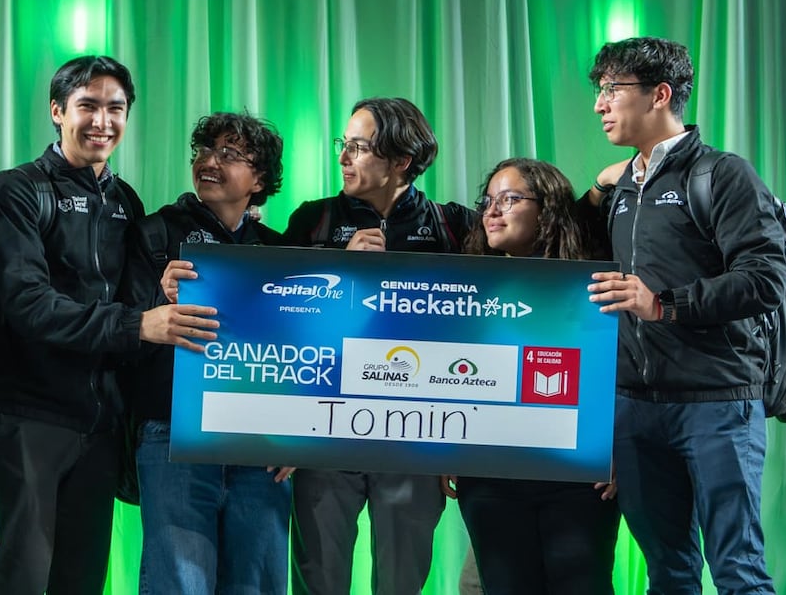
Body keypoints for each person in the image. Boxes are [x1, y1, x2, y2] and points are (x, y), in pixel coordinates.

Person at [0, 55, 219, 594]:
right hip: (27, 414)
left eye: (116, 108)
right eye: (87, 106)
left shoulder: (125, 201)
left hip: (103, 424)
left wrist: (163, 293)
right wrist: (139, 324)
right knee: (24, 576)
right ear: (58, 111)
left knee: (83, 580)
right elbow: (29, 304)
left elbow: (134, 303)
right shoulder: (17, 189)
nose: (102, 121)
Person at [586, 37, 784, 594]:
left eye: (611, 90)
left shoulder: (722, 175)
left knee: (738, 571)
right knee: (668, 574)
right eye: (599, 91)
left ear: (660, 96)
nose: (599, 105)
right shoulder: (623, 184)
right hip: (636, 410)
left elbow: (765, 278)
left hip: (718, 405)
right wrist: (602, 186)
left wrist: (665, 304)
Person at [281, 97, 478, 595]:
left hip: (414, 436)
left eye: (359, 147)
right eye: (342, 145)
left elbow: (477, 332)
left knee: (400, 581)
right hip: (324, 430)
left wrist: (458, 443)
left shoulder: (454, 224)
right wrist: (336, 269)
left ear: (401, 162)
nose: (344, 157)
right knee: (318, 579)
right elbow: (281, 320)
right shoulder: (314, 221)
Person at [124, 111, 293, 594]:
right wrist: (159, 301)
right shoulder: (153, 232)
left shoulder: (282, 252)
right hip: (174, 435)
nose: (209, 162)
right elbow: (122, 329)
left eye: (230, 154)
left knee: (256, 584)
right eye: (204, 151)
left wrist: (298, 439)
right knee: (178, 583)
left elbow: (302, 354)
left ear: (259, 178)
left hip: (260, 448)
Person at [443, 158, 621, 595]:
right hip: (490, 479)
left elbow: (623, 373)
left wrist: (617, 448)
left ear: (548, 211)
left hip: (579, 480)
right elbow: (445, 376)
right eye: (488, 200)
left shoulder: (597, 283)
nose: (492, 210)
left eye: (510, 199)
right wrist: (441, 447)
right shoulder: (463, 292)